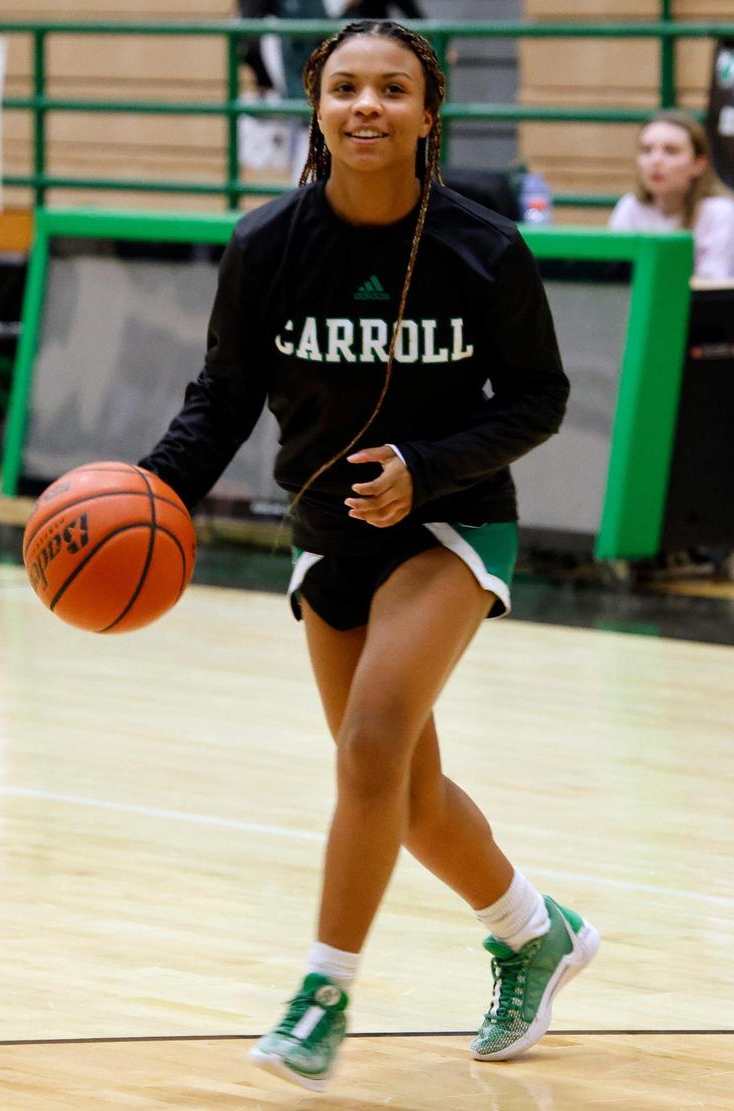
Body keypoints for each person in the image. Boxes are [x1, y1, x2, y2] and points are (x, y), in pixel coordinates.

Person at [138, 18, 596, 1093]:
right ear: (316, 106)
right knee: (404, 787)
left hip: (450, 521)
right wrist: (152, 492)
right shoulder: (265, 247)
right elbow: (223, 399)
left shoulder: (484, 247)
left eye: (393, 88)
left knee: (373, 737)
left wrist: (426, 469)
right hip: (328, 530)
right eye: (346, 87)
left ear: (429, 112)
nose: (367, 106)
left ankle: (323, 990)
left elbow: (541, 398)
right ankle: (535, 932)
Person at [609, 110, 734, 279]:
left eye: (671, 151)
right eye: (646, 150)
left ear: (699, 164)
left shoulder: (720, 212)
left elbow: (715, 287)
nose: (656, 160)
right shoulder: (630, 206)